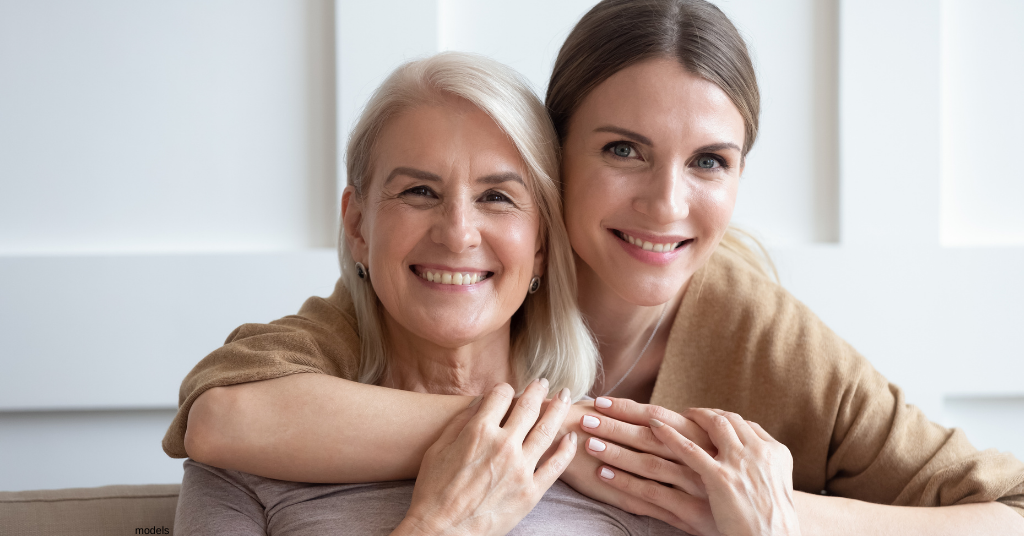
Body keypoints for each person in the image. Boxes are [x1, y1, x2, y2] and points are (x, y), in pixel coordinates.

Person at [165, 1, 1024, 534]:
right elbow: (226, 417)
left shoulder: (753, 327)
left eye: (710, 161)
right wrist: (536, 434)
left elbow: (1008, 511)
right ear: (555, 160)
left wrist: (774, 515)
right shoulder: (425, 296)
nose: (666, 204)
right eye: (623, 149)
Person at [173, 51, 710, 536]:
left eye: (496, 197)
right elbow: (221, 418)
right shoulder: (253, 462)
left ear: (543, 243)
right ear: (358, 226)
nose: (457, 234)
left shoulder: (612, 467)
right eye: (419, 191)